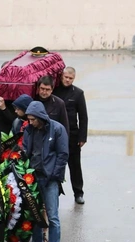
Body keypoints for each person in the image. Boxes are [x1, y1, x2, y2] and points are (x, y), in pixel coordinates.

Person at [20, 101, 69, 242]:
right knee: (35, 214)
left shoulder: (57, 129)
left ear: (41, 117)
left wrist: (54, 176)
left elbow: (63, 155)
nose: (30, 122)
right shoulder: (29, 130)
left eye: (33, 119)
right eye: (29, 119)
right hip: (32, 179)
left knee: (53, 216)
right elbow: (26, 151)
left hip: (49, 180)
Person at [53, 67, 88, 205]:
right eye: (65, 77)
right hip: (55, 134)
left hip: (72, 135)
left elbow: (83, 116)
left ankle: (78, 193)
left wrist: (82, 137)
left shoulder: (78, 93)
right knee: (55, 165)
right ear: (61, 76)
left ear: (74, 78)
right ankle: (55, 192)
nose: (67, 80)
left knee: (75, 166)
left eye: (70, 78)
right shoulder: (54, 91)